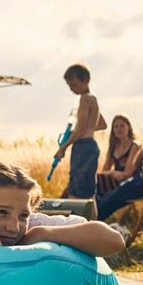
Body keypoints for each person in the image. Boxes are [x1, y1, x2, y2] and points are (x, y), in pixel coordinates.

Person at [55, 64, 107, 199]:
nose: (71, 89)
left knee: (78, 191)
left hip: (83, 146)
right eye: (69, 86)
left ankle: (81, 213)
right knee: (87, 190)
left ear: (86, 80)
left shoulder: (84, 99)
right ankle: (91, 213)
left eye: (74, 85)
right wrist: (87, 128)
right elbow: (102, 124)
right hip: (91, 144)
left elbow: (81, 129)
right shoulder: (93, 98)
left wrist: (63, 147)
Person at [96, 115, 141, 196]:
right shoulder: (113, 147)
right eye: (116, 127)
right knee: (94, 181)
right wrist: (113, 173)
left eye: (122, 126)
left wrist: (112, 173)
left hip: (129, 182)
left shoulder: (134, 146)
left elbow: (128, 173)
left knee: (99, 185)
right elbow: (104, 171)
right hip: (115, 179)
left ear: (128, 127)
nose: (119, 129)